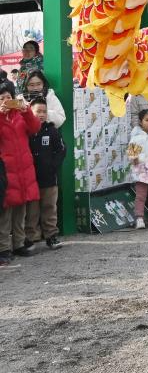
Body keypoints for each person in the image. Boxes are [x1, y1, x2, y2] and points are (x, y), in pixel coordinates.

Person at [0, 82, 42, 261]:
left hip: (23, 169)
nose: (6, 101)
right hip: (6, 170)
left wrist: (26, 111)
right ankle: (3, 248)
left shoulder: (20, 115)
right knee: (5, 213)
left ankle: (19, 244)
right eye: (1, 98)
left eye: (8, 97)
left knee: (21, 209)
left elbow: (35, 128)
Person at [26, 98, 66, 250]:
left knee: (49, 208)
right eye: (38, 112)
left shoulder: (52, 130)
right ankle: (30, 238)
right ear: (31, 111)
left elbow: (61, 150)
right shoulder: (27, 130)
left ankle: (51, 236)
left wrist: (53, 166)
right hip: (30, 179)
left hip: (49, 179)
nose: (41, 115)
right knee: (31, 210)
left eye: (44, 111)